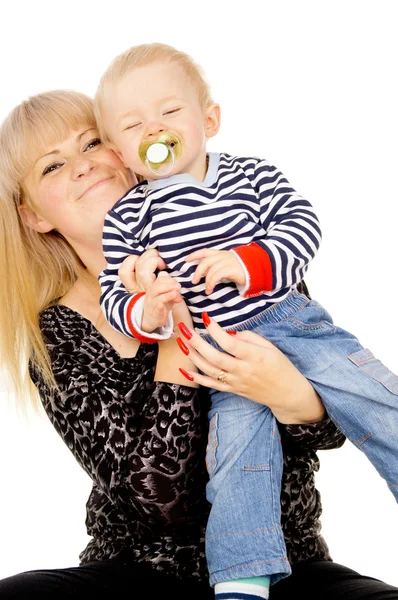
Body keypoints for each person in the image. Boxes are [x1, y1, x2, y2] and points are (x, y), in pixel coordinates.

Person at [0, 90, 396, 599]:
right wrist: (170, 328)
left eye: (93, 142)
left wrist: (287, 393)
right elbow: (160, 501)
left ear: (127, 151)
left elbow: (330, 432)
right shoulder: (57, 331)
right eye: (52, 166)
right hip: (140, 572)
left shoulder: (243, 247)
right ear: (34, 216)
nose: (82, 166)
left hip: (287, 564)